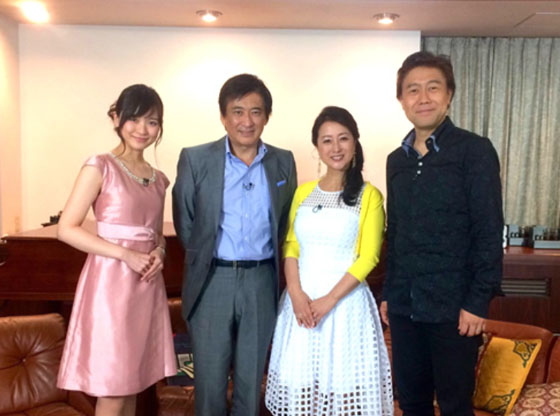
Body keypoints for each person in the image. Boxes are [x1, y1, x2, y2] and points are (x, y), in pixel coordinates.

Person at [381, 51, 504, 416]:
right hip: (405, 306)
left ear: (449, 95)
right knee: (412, 403)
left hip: (455, 309)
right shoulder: (396, 161)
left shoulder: (474, 151)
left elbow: (488, 230)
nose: (423, 98)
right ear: (401, 100)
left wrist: (477, 302)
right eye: (413, 90)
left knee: (454, 406)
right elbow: (396, 231)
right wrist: (388, 293)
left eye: (433, 88)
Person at [172, 73, 297, 416]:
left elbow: (285, 221)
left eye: (256, 112)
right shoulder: (196, 159)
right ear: (223, 117)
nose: (247, 121)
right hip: (213, 280)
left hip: (260, 281)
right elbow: (186, 223)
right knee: (209, 384)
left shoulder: (283, 161)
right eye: (237, 111)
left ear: (267, 116)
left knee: (251, 381)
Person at [56, 84, 177, 415]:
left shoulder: (159, 179)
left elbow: (155, 235)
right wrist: (125, 255)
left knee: (133, 382)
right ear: (116, 118)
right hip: (110, 287)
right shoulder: (100, 166)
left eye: (152, 121)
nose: (142, 129)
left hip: (146, 286)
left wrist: (160, 252)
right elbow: (66, 228)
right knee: (113, 386)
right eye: (134, 119)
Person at [265, 106, 394, 416]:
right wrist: (295, 293)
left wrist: (330, 300)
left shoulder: (370, 196)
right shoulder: (303, 193)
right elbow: (291, 245)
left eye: (343, 138)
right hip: (301, 306)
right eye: (327, 140)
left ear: (355, 142)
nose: (336, 147)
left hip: (345, 306)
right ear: (317, 147)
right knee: (301, 392)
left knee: (344, 395)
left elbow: (369, 256)